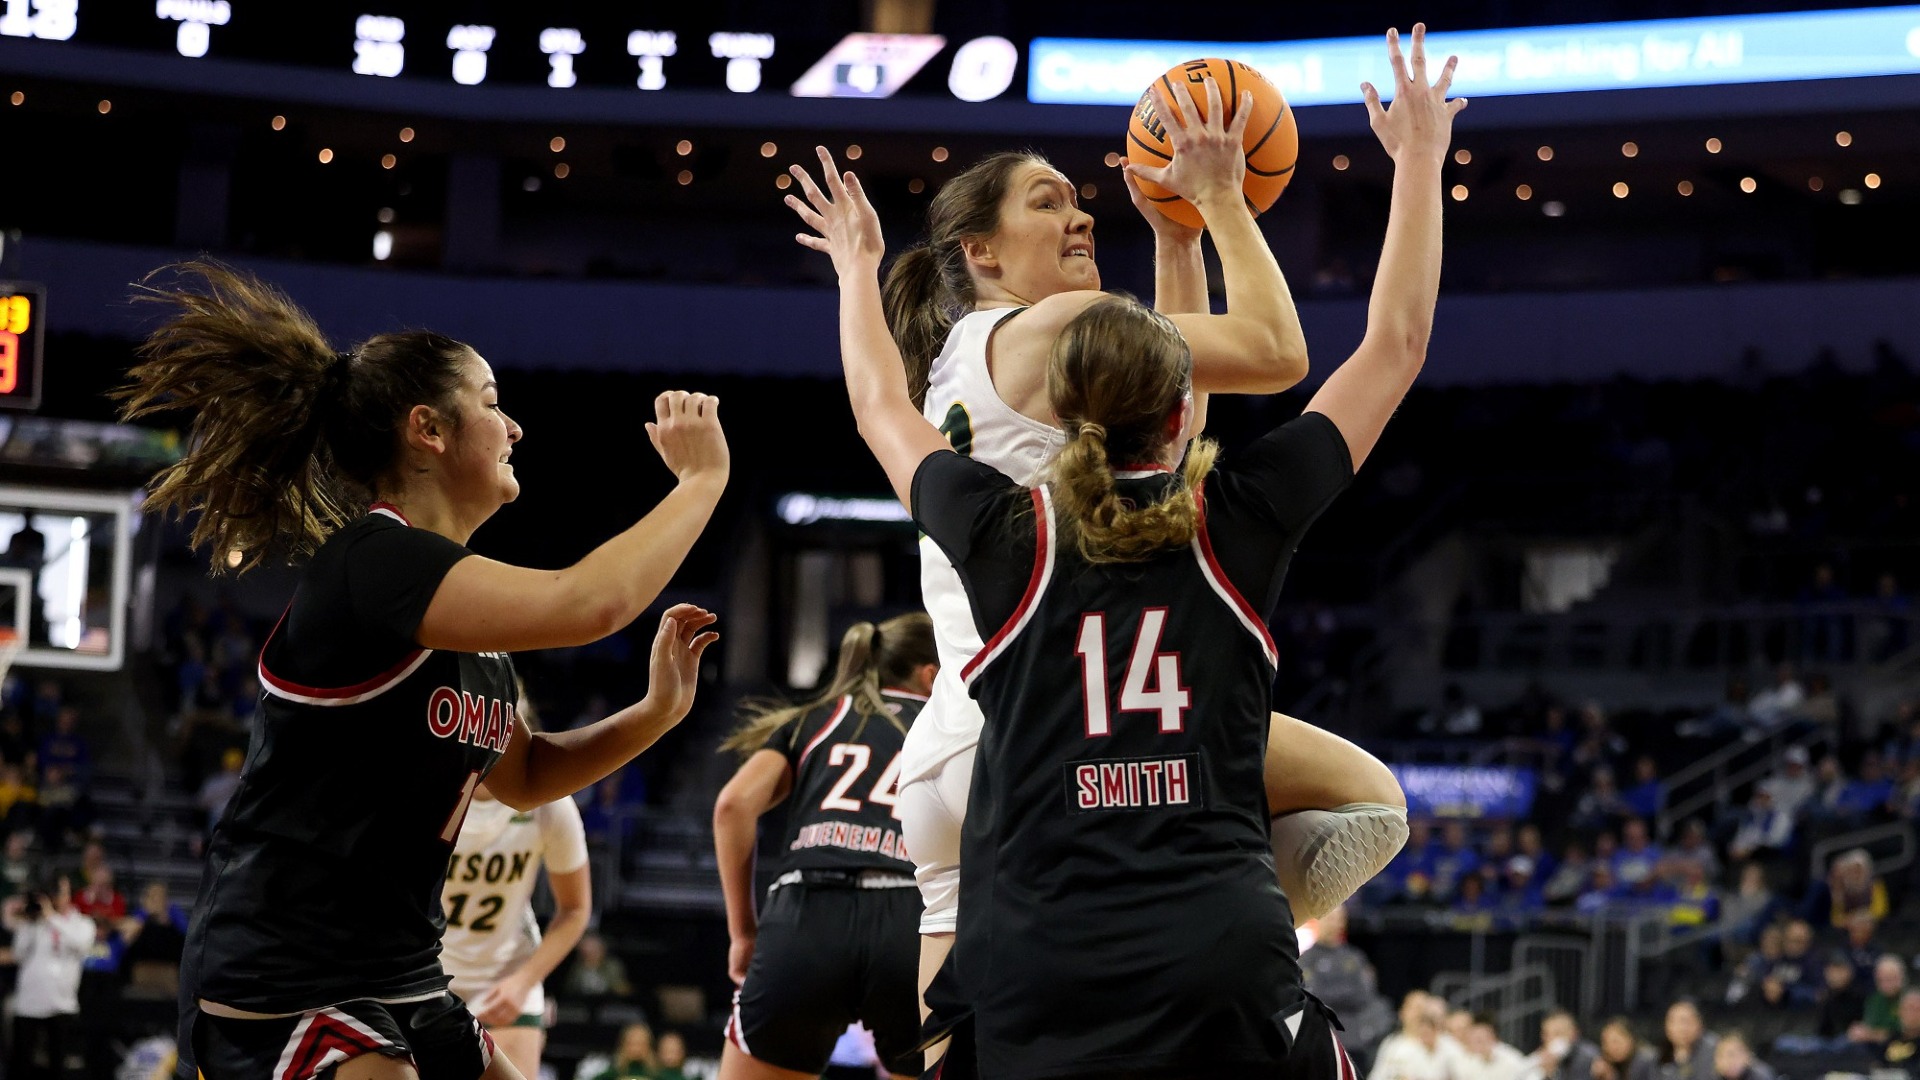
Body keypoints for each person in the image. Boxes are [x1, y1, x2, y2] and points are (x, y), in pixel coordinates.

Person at [792, 23, 1461, 1078]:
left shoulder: (988, 451)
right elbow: (1294, 354)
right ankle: (1228, 929)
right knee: (1368, 802)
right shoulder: (1074, 347)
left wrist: (859, 269)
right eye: (1047, 200)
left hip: (959, 746)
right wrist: (1231, 195)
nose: (1077, 212)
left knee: (957, 1047)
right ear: (981, 252)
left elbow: (887, 406)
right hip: (1059, 749)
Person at [117, 261, 727, 1080]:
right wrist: (702, 480)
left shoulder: (466, 622)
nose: (513, 427)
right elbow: (595, 603)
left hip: (398, 972)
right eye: (490, 402)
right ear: (427, 431)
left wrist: (655, 713)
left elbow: (525, 775)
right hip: (287, 970)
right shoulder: (377, 561)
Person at [711, 614, 938, 1080]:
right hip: (909, 919)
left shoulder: (818, 717)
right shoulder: (947, 726)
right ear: (931, 674)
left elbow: (732, 806)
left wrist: (743, 934)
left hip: (806, 911)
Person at [442, 689, 593, 1080]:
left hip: (507, 976)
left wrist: (525, 980)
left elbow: (576, 909)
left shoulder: (551, 805)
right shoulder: (429, 793)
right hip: (428, 972)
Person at [5, 875, 95, 1080]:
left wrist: (51, 917)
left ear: (70, 895)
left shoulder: (82, 923)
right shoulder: (35, 921)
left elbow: (80, 943)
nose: (56, 896)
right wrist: (30, 921)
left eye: (60, 891)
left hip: (61, 1003)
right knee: (21, 1063)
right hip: (29, 1002)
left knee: (57, 1064)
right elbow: (19, 953)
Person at [1370, 992, 1460, 1080]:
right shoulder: (1391, 1043)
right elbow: (1377, 1075)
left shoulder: (1445, 1043)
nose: (1418, 1013)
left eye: (1422, 1008)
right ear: (1402, 1012)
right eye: (1414, 1008)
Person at [561, 932, 634, 1002]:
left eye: (593, 949)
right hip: (581, 1004)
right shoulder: (576, 968)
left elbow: (620, 987)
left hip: (608, 1003)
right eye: (585, 950)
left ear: (601, 949)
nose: (589, 953)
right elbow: (570, 988)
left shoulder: (612, 965)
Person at [1530, 1010, 1599, 1080]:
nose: (1550, 1040)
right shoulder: (1545, 1060)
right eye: (1546, 1034)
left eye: (1557, 1034)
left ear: (1573, 1034)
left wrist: (1552, 1073)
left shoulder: (1588, 1057)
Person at [1658, 1001, 1717, 1080]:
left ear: (1699, 1024)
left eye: (1686, 1021)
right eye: (1675, 1022)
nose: (1682, 1028)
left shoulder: (1716, 1050)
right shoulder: (1659, 1055)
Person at [1592, 1017, 1658, 1080]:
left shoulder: (1645, 1061)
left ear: (1630, 1039)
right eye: (1606, 1042)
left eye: (1616, 1041)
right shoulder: (1616, 1065)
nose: (1611, 1047)